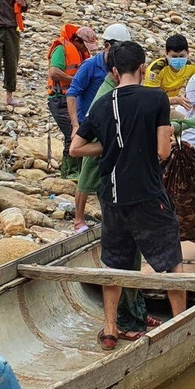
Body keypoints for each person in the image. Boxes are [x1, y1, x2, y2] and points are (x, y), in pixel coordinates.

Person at [69, 41, 186, 351]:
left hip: (112, 195)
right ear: (143, 68)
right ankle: (183, 323)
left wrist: (108, 147)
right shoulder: (156, 98)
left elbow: (75, 149)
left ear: (114, 71)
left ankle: (109, 330)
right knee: (171, 257)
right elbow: (162, 151)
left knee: (115, 263)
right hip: (147, 192)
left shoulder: (102, 104)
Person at [66, 23, 132, 233]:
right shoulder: (90, 66)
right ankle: (78, 220)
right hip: (91, 124)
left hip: (111, 124)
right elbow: (72, 92)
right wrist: (76, 125)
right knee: (87, 174)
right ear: (106, 45)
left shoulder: (122, 66)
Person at [47, 25, 98, 179]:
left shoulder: (82, 54)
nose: (85, 49)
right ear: (77, 40)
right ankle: (71, 173)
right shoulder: (61, 49)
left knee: (75, 133)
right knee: (74, 134)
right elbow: (54, 72)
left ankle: (71, 171)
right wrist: (75, 80)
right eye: (83, 45)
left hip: (74, 99)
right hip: (60, 99)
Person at [143, 34, 195, 112]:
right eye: (174, 56)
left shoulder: (190, 66)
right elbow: (152, 98)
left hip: (172, 103)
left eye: (181, 56)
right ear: (166, 53)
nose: (178, 60)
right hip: (154, 107)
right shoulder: (156, 70)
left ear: (188, 53)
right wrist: (176, 100)